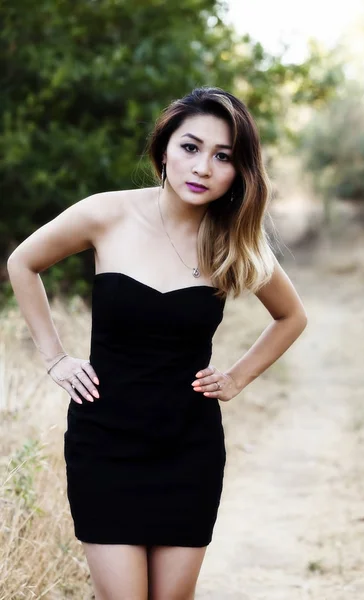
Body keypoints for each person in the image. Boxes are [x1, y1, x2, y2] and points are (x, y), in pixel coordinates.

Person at [7, 86, 307, 600]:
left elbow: (290, 316)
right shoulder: (106, 214)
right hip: (104, 443)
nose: (203, 168)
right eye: (190, 147)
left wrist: (236, 377)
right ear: (164, 147)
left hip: (187, 448)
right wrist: (54, 357)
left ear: (239, 172)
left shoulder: (233, 240)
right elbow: (23, 262)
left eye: (223, 157)